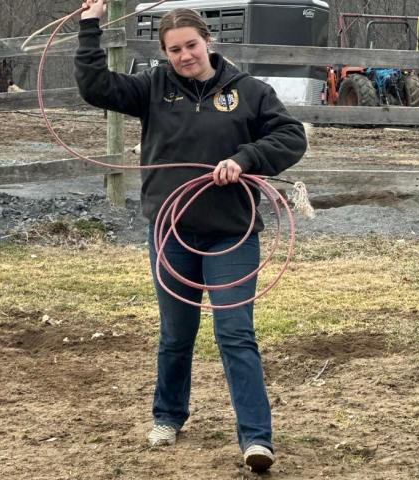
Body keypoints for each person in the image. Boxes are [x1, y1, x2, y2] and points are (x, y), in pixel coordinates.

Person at [75, 0, 307, 473]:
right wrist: (89, 28)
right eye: (175, 49)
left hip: (231, 235)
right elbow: (96, 86)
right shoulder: (153, 89)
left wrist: (245, 159)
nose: (185, 56)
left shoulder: (249, 91)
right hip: (171, 231)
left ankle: (256, 438)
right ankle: (168, 416)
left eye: (191, 45)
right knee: (176, 334)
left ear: (208, 42)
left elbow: (290, 136)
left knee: (235, 332)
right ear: (165, 53)